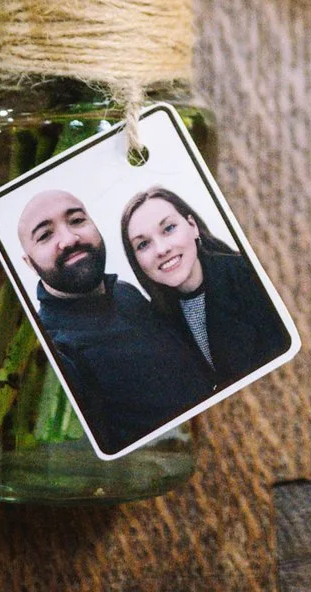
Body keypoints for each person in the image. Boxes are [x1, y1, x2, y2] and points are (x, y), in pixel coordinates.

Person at [14, 186, 214, 450]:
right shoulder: (55, 350)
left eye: (77, 220)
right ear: (29, 263)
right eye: (45, 235)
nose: (69, 239)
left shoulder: (125, 292)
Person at [121, 186, 293, 388]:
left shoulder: (251, 276)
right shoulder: (154, 322)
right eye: (143, 244)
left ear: (192, 226)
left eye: (168, 229)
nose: (161, 249)